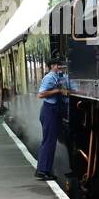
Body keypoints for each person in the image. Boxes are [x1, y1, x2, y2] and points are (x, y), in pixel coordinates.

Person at [36, 53, 70, 182]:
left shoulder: (60, 77)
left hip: (56, 111)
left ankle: (45, 169)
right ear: (52, 66)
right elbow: (41, 94)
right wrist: (57, 91)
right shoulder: (49, 78)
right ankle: (42, 170)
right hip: (49, 111)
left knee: (52, 141)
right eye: (58, 65)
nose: (60, 67)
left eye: (61, 65)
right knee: (48, 141)